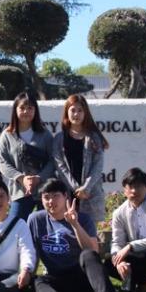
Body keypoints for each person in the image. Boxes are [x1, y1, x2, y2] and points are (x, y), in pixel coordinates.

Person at [27, 178, 126, 292]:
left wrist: (74, 224)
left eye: (55, 196)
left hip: (85, 279)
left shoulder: (83, 219)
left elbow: (93, 250)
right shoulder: (35, 220)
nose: (51, 201)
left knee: (88, 254)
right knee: (37, 281)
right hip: (58, 279)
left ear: (65, 196)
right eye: (46, 197)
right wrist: (28, 274)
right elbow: (33, 251)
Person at [0, 92, 55, 221]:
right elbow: (2, 161)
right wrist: (21, 178)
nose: (26, 111)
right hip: (19, 191)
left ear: (35, 110)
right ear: (15, 110)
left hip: (44, 191)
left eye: (30, 108)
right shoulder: (8, 135)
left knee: (46, 226)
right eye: (22, 108)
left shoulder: (44, 134)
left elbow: (53, 160)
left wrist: (39, 178)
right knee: (14, 225)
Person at [52, 94, 110, 224]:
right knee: (67, 232)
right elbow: (60, 166)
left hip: (90, 195)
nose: (76, 114)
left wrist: (86, 188)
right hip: (67, 193)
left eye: (80, 110)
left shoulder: (94, 138)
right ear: (67, 112)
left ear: (85, 113)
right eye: (73, 110)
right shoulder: (59, 139)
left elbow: (98, 166)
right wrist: (76, 188)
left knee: (89, 232)